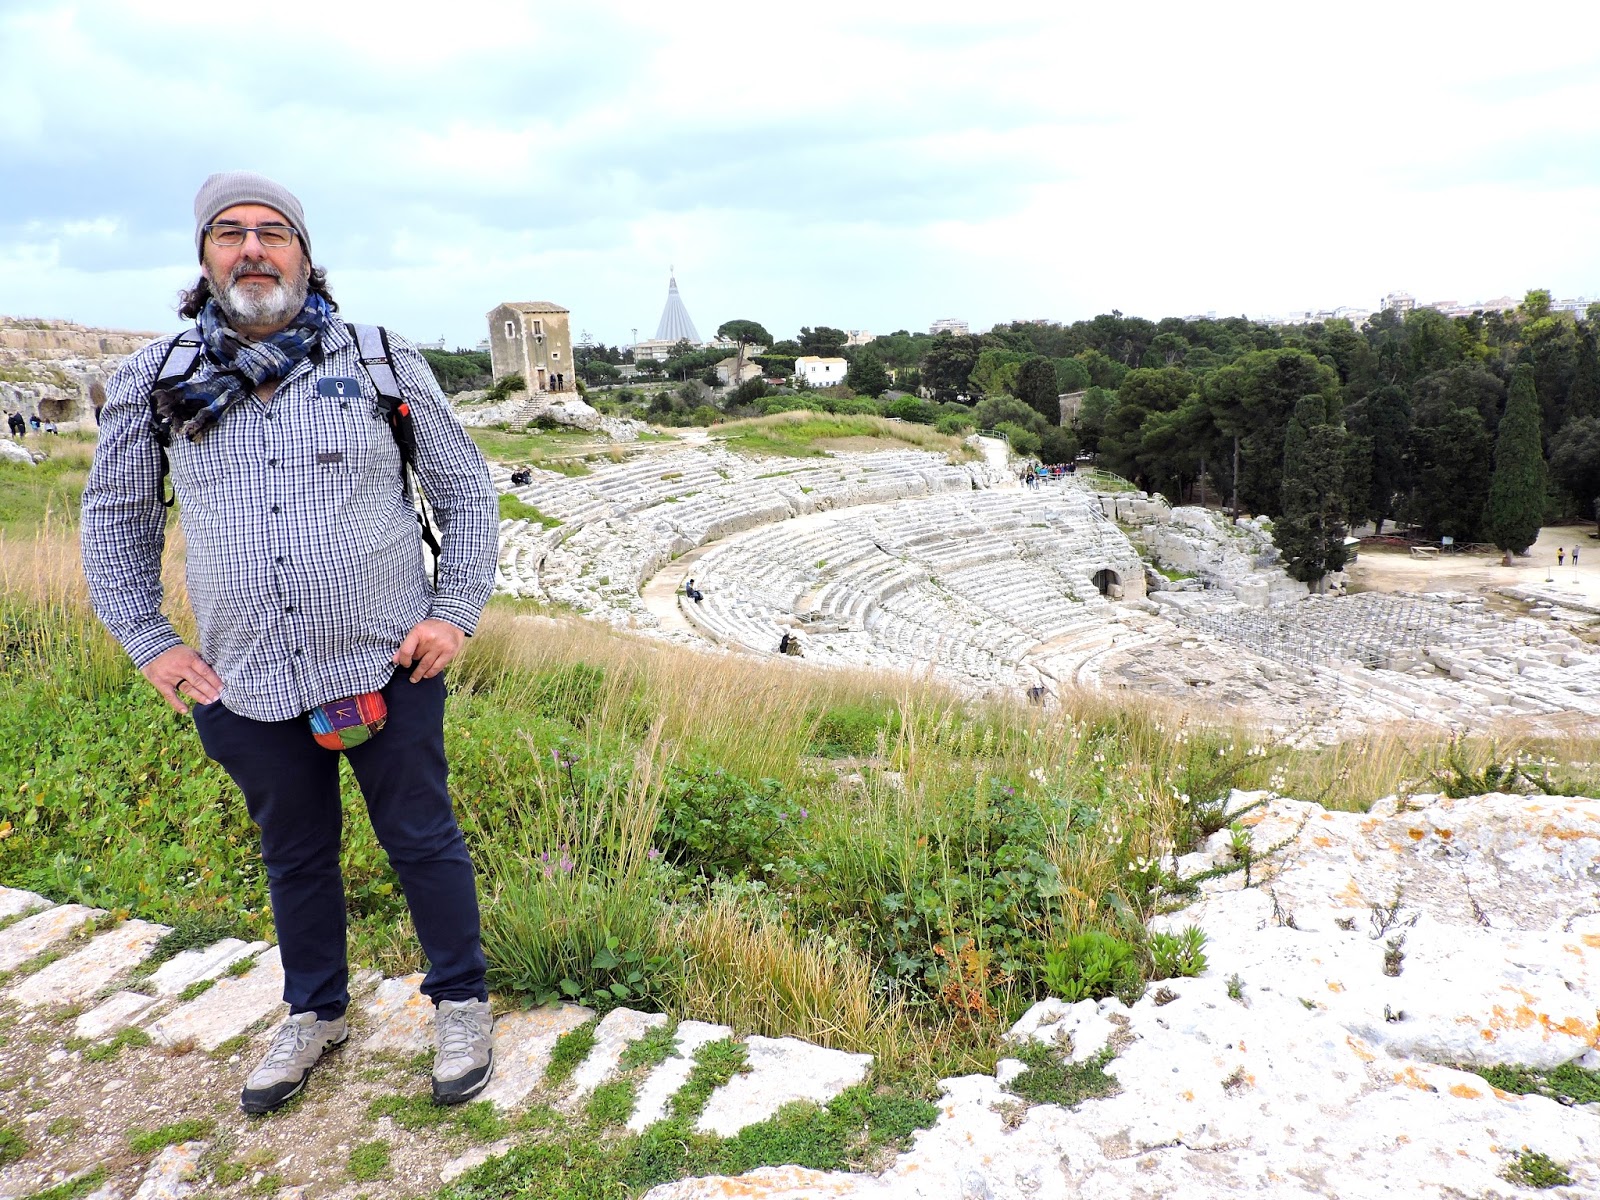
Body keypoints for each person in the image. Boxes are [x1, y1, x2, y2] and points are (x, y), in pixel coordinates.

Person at [81, 172, 500, 1115]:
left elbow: (466, 492)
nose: (252, 249)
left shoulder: (380, 358)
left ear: (306, 255)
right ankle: (314, 1012)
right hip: (243, 677)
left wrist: (454, 610)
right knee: (294, 852)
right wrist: (149, 640)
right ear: (204, 257)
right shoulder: (154, 378)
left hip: (388, 661)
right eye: (229, 233)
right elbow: (114, 518)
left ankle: (461, 1002)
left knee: (421, 836)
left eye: (272, 232)